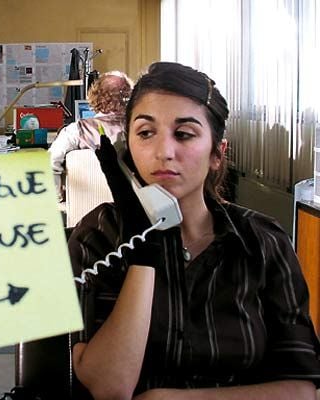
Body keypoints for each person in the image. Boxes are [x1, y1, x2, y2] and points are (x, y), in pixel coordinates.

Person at [69, 62, 320, 400]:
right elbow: (110, 387)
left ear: (217, 153)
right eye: (145, 133)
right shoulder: (98, 235)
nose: (164, 152)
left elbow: (303, 388)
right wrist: (144, 254)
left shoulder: (263, 241)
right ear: (126, 149)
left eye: (184, 134)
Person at [48, 71, 133, 202]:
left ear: (96, 95)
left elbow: (50, 162)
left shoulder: (75, 131)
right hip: (132, 208)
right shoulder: (141, 131)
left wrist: (57, 195)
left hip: (84, 211)